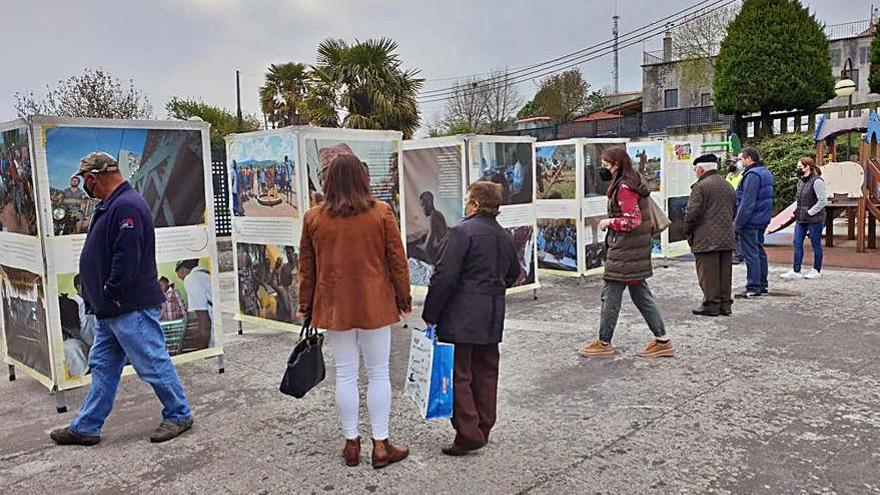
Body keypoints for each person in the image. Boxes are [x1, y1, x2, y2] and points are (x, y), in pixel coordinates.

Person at [50, 151, 193, 446]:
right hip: (111, 310)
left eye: (86, 181)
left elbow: (126, 260)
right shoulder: (113, 204)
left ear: (93, 178)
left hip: (128, 307)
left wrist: (109, 295)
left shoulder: (126, 206)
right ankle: (87, 426)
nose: (85, 187)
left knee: (152, 362)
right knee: (102, 366)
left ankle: (179, 414)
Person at [298, 153, 411, 469]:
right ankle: (380, 445)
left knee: (345, 373)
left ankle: (351, 444)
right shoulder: (381, 213)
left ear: (328, 181)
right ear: (363, 179)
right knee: (378, 373)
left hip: (334, 307)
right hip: (375, 303)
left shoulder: (314, 218)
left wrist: (305, 305)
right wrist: (403, 298)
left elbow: (307, 268)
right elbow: (397, 261)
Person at [422, 181, 521, 456]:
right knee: (487, 371)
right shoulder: (504, 236)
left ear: (475, 204)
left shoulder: (461, 233)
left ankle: (467, 432)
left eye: (467, 200)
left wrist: (431, 314)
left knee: (460, 373)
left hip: (461, 315)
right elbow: (514, 272)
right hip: (492, 313)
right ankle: (483, 426)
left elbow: (444, 277)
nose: (464, 204)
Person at [578, 147, 672, 358]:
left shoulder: (624, 187)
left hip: (624, 250)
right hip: (635, 249)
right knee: (641, 294)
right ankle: (662, 339)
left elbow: (632, 220)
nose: (603, 168)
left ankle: (604, 341)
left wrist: (608, 221)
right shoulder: (635, 180)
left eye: (606, 164)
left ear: (617, 164)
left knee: (610, 295)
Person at [685, 154, 737, 317]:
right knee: (724, 272)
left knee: (708, 273)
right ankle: (725, 304)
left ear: (700, 169)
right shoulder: (727, 185)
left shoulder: (700, 187)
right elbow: (734, 209)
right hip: (726, 235)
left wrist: (687, 231)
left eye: (695, 169)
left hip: (705, 237)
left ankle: (711, 304)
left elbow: (692, 213)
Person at [734, 147, 774, 298]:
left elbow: (747, 202)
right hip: (762, 218)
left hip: (751, 220)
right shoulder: (765, 172)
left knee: (751, 254)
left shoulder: (752, 175)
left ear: (749, 159)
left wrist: (738, 224)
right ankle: (762, 284)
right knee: (759, 251)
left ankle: (753, 286)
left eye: (741, 159)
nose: (740, 162)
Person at [780, 156, 827, 280]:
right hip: (801, 218)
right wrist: (797, 211)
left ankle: (817, 270)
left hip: (815, 219)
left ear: (807, 167)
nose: (798, 169)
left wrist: (810, 212)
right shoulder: (800, 181)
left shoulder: (817, 181)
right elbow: (800, 199)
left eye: (800, 167)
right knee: (797, 242)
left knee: (815, 244)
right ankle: (796, 270)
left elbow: (822, 201)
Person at [175, 259, 213, 349]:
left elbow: (204, 322)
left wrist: (201, 351)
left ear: (182, 271)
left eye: (181, 278)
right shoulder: (205, 275)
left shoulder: (191, 278)